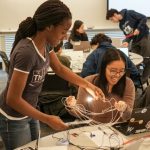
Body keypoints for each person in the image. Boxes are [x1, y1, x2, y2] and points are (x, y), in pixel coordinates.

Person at [0, 0, 104, 149]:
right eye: (63, 31)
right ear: (48, 26)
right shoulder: (27, 52)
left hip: (30, 109)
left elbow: (59, 69)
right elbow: (12, 99)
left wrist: (87, 85)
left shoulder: (46, 43)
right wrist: (47, 119)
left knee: (36, 146)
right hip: (14, 117)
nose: (66, 36)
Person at [66, 49, 135, 123]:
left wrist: (125, 109)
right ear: (103, 68)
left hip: (119, 129)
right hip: (95, 128)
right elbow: (81, 113)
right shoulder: (88, 82)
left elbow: (129, 116)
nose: (117, 75)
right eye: (113, 71)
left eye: (121, 71)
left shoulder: (128, 83)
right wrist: (72, 106)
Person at [106, 9, 150, 83]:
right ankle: (135, 80)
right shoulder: (121, 25)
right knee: (134, 60)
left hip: (144, 37)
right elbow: (128, 35)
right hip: (135, 41)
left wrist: (138, 28)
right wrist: (126, 41)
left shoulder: (129, 13)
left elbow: (144, 18)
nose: (112, 21)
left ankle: (143, 81)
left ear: (115, 15)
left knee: (147, 59)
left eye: (111, 19)